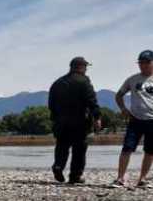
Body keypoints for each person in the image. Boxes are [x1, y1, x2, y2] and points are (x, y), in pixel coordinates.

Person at [48, 56, 101, 184]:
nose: (86, 70)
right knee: (79, 149)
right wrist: (97, 117)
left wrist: (55, 118)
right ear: (80, 67)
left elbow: (51, 104)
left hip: (61, 121)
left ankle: (58, 166)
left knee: (62, 146)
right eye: (85, 67)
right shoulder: (84, 81)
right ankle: (75, 176)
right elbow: (91, 101)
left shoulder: (58, 82)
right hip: (79, 122)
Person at [112, 50, 153, 188]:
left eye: (146, 63)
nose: (143, 65)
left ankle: (142, 179)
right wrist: (124, 109)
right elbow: (119, 95)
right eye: (141, 63)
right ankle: (120, 178)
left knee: (150, 151)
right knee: (127, 149)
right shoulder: (132, 79)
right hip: (135, 119)